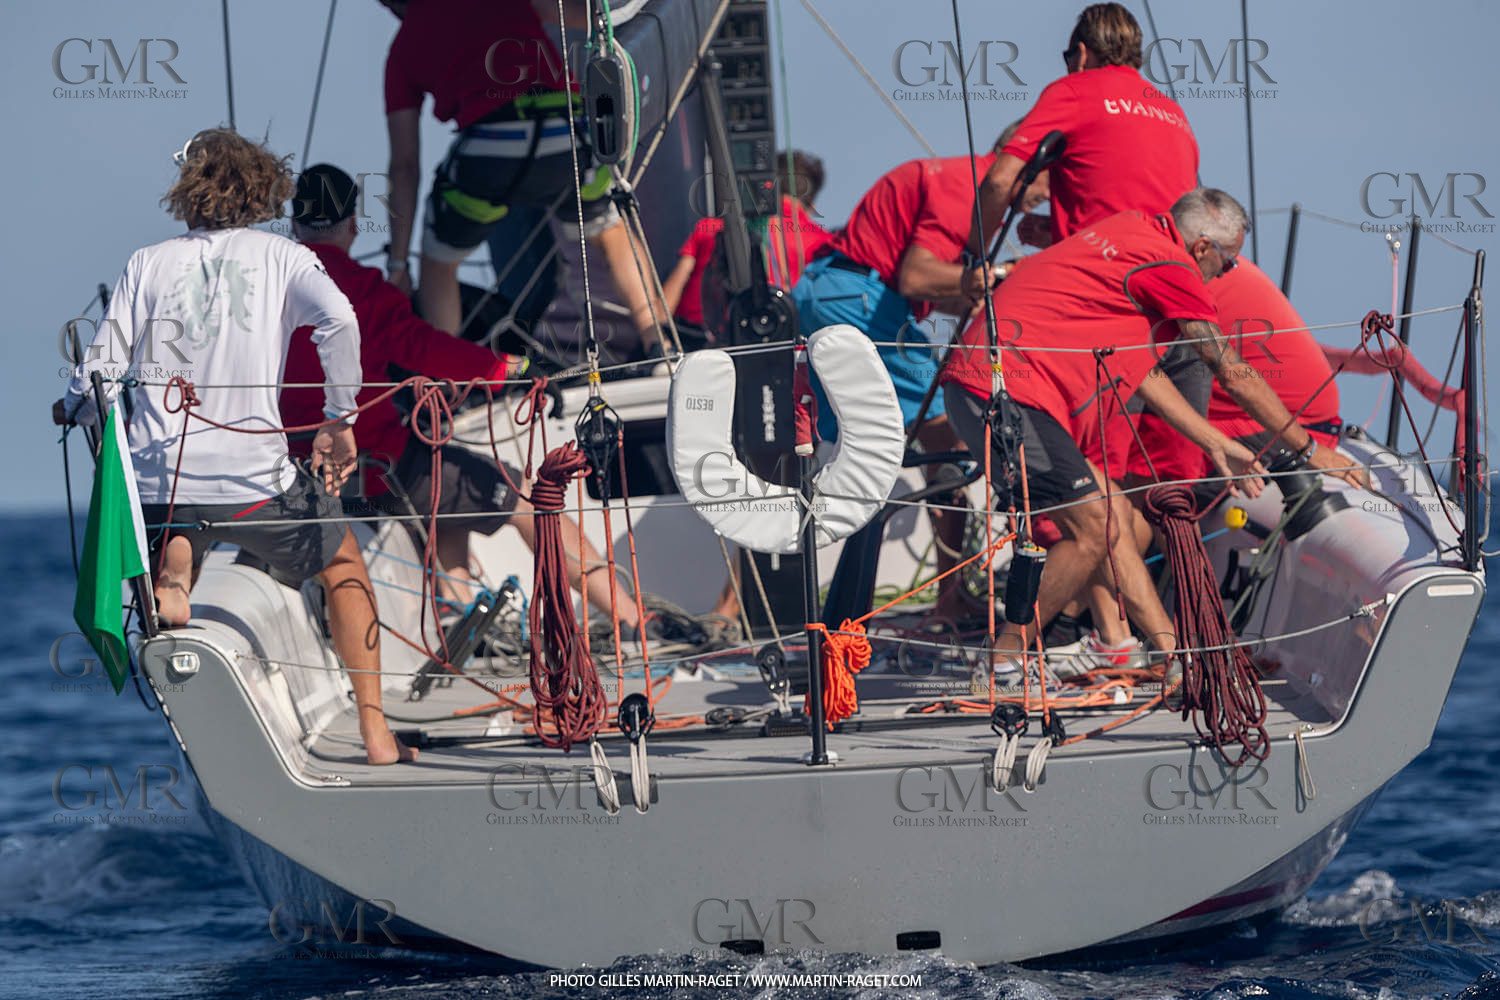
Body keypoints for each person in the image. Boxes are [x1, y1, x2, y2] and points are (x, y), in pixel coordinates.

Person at [52, 129, 414, 765]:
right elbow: (339, 320)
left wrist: (73, 406)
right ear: (263, 189)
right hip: (255, 485)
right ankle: (377, 734)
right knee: (344, 565)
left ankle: (175, 575)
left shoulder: (146, 262)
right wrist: (339, 419)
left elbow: (99, 375)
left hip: (159, 483)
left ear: (187, 191)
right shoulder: (284, 257)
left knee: (182, 513)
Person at [941, 189, 1365, 677]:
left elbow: (1144, 373)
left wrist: (1214, 441)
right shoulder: (1173, 267)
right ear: (1202, 247)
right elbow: (1229, 370)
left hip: (992, 386)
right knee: (1091, 528)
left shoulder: (1128, 230)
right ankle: (1002, 665)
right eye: (1228, 262)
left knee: (1110, 513)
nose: (1226, 273)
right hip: (1002, 391)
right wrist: (1309, 450)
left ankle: (1163, 654)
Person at [281, 164, 643, 634]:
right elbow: (427, 349)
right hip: (374, 468)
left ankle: (459, 613)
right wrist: (514, 369)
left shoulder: (271, 289)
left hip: (291, 469)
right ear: (353, 223)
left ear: (294, 224)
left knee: (450, 496)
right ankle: (632, 620)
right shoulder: (365, 291)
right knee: (525, 497)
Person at [790, 130, 1044, 618]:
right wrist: (1001, 277)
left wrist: (977, 288)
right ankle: (951, 597)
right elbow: (916, 276)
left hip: (833, 292)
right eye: (1047, 183)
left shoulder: (950, 177)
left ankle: (739, 605)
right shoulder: (966, 187)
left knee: (814, 448)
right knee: (948, 431)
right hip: (861, 302)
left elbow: (936, 289)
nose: (1044, 200)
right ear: (1024, 167)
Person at [379, 0, 668, 358]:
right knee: (611, 232)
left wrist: (398, 265)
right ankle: (658, 342)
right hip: (566, 135)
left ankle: (450, 370)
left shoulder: (402, 50)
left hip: (491, 149)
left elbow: (405, 166)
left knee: (438, 260)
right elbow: (581, 15)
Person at [969, 2, 1197, 254]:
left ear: (1082, 54)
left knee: (1010, 279)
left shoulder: (1075, 89)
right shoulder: (1175, 113)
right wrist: (1058, 230)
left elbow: (999, 180)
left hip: (1103, 266)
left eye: (1068, 58)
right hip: (1170, 266)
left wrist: (973, 260)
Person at [662, 150, 832, 338]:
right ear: (812, 205)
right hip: (778, 341)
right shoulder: (824, 244)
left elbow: (664, 309)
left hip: (695, 343)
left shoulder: (710, 228)